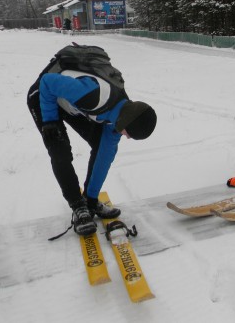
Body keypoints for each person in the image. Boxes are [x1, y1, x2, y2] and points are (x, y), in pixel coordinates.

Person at [27, 56, 157, 236]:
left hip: (71, 103)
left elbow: (104, 157)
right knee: (60, 151)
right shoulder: (94, 95)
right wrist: (49, 120)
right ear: (126, 123)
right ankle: (78, 206)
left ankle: (88, 200)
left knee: (100, 144)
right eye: (129, 134)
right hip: (44, 95)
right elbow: (47, 82)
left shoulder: (117, 122)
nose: (126, 137)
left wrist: (92, 197)